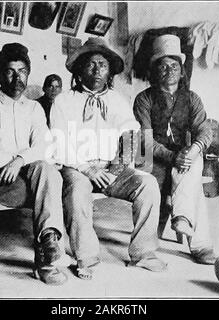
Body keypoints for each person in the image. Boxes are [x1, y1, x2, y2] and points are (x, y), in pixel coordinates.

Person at [50, 38, 167, 280]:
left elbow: (131, 134)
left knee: (148, 184)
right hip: (78, 168)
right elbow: (58, 142)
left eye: (102, 65)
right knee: (76, 192)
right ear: (80, 69)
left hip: (112, 168)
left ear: (109, 71)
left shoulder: (117, 101)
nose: (96, 70)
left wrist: (115, 168)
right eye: (90, 64)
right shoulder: (63, 101)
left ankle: (143, 253)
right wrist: (88, 170)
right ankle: (86, 256)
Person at [0, 43, 67, 285]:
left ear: (29, 72)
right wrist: (24, 157)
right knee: (46, 183)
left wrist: (21, 160)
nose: (17, 77)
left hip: (25, 170)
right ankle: (47, 264)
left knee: (47, 171)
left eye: (22, 71)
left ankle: (49, 241)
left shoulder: (34, 107)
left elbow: (45, 146)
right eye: (10, 71)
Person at [133, 34, 216, 264]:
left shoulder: (192, 99)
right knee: (190, 172)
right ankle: (198, 241)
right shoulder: (144, 99)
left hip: (183, 157)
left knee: (193, 159)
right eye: (163, 66)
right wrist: (173, 157)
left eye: (174, 66)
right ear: (154, 71)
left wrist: (193, 150)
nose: (169, 70)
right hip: (151, 158)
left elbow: (204, 131)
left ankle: (183, 218)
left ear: (181, 71)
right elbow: (145, 143)